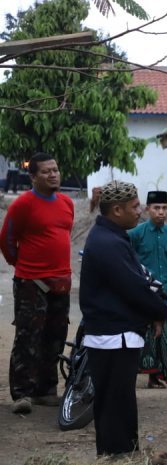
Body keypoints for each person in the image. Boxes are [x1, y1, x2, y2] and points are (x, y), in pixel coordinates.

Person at [80, 181, 167, 455]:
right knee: (116, 403)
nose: (140, 211)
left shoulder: (113, 237)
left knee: (116, 402)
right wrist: (160, 310)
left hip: (114, 334)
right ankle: (118, 459)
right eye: (134, 206)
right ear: (117, 210)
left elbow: (139, 281)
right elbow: (134, 287)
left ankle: (117, 457)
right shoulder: (108, 243)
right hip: (112, 336)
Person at [0, 153, 74, 414]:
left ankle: (46, 390)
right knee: (28, 336)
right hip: (31, 282)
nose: (53, 174)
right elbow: (7, 239)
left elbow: (63, 235)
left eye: (55, 170)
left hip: (61, 280)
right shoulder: (23, 205)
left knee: (56, 335)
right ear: (33, 177)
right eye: (46, 171)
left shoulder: (66, 202)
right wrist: (22, 267)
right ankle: (23, 393)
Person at [129, 190, 167, 388]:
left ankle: (158, 375)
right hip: (145, 291)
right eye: (156, 208)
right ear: (147, 209)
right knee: (146, 333)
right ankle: (143, 373)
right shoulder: (135, 234)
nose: (161, 212)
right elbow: (129, 259)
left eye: (164, 208)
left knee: (165, 333)